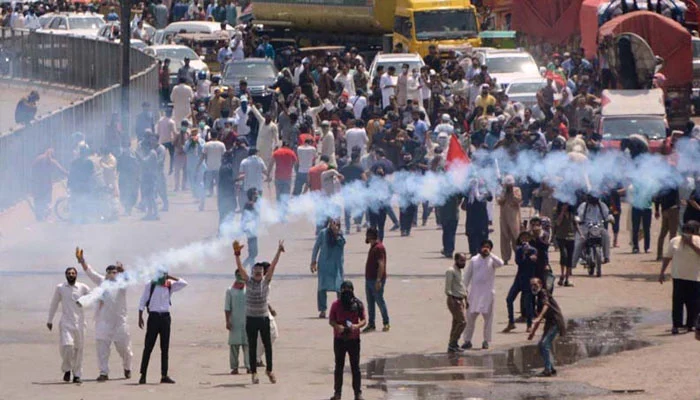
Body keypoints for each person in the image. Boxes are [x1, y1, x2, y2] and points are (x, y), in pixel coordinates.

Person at [232, 239, 285, 384]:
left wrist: (278, 251)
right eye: (255, 272)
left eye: (260, 273)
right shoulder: (248, 282)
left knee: (268, 345)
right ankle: (254, 373)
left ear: (263, 274)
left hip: (263, 318)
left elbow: (273, 266)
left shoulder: (265, 282)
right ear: (252, 273)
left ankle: (269, 370)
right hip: (251, 318)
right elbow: (240, 268)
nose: (257, 275)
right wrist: (237, 254)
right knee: (252, 346)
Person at [75, 249, 133, 381]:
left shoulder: (122, 284)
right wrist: (82, 260)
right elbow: (90, 272)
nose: (112, 274)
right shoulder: (102, 282)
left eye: (114, 272)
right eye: (109, 272)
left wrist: (123, 271)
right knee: (102, 349)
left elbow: (128, 279)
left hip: (120, 323)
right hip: (103, 322)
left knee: (125, 350)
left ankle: (127, 367)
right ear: (106, 274)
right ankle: (103, 372)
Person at [137, 271, 188, 384]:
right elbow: (142, 300)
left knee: (165, 348)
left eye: (165, 274)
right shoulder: (151, 284)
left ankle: (164, 375)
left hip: (165, 317)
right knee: (148, 347)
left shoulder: (169, 284)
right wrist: (140, 316)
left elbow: (184, 283)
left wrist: (170, 277)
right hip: (153, 317)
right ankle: (143, 375)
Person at [47, 266, 90, 383]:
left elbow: (93, 297)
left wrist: (85, 301)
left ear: (76, 275)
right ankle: (67, 369)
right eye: (69, 273)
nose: (71, 275)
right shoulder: (60, 288)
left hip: (80, 324)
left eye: (73, 273)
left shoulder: (83, 287)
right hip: (66, 323)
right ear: (66, 275)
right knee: (68, 346)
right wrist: (50, 320)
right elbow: (54, 303)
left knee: (79, 349)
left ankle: (77, 375)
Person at [461, 240, 504, 350]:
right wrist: (463, 291)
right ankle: (467, 340)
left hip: (488, 295)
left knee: (488, 320)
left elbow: (501, 263)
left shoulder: (493, 260)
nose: (485, 249)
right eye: (484, 247)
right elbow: (467, 277)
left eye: (488, 247)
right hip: (474, 295)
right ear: (480, 248)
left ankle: (486, 341)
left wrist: (490, 254)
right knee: (470, 319)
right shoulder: (474, 260)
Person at [659, 221, 700, 334]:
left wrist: (691, 244)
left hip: (695, 277)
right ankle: (676, 325)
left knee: (693, 303)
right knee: (678, 302)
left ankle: (691, 324)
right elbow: (667, 257)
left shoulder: (698, 241)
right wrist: (662, 272)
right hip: (678, 276)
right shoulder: (675, 241)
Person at [328, 280, 367, 400]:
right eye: (344, 291)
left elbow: (364, 320)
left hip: (353, 339)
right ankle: (337, 393)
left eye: (348, 291)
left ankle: (357, 393)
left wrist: (356, 326)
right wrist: (337, 327)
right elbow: (331, 320)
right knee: (339, 367)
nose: (346, 293)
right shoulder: (335, 305)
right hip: (339, 339)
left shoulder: (358, 304)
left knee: (355, 367)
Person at [528, 277, 567, 377]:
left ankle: (548, 370)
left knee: (544, 344)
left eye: (535, 285)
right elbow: (539, 318)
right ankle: (550, 367)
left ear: (540, 285)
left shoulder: (543, 293)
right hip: (549, 323)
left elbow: (546, 305)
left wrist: (539, 317)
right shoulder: (537, 299)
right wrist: (533, 332)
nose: (533, 287)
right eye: (531, 285)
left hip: (555, 321)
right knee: (542, 345)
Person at [311, 219, 346, 318]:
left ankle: (340, 309)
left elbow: (342, 244)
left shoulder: (340, 234)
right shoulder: (323, 233)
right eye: (332, 223)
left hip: (336, 266)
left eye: (336, 224)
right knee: (322, 288)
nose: (334, 225)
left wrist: (336, 234)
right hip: (324, 266)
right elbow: (316, 247)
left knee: (339, 288)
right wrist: (313, 261)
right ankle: (323, 310)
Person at [503, 232, 536, 333]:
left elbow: (533, 263)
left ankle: (529, 325)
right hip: (519, 279)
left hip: (528, 280)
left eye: (527, 238)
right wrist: (525, 255)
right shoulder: (519, 250)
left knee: (528, 303)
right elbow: (519, 262)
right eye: (523, 238)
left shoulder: (533, 250)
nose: (525, 240)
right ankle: (511, 322)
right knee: (509, 299)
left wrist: (528, 256)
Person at [363, 227, 390, 333]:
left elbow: (381, 264)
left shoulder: (379, 248)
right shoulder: (373, 247)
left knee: (379, 301)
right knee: (370, 303)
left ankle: (386, 322)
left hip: (375, 280)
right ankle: (371, 324)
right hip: (369, 279)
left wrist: (378, 280)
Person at [572, 194, 612, 265]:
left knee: (606, 236)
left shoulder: (602, 205)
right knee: (579, 241)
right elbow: (579, 215)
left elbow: (607, 215)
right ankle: (573, 262)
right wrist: (577, 219)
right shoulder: (583, 205)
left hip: (599, 227)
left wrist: (610, 218)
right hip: (585, 227)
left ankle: (606, 256)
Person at [225, 270, 250, 374]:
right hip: (234, 322)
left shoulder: (249, 290)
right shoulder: (230, 291)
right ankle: (234, 367)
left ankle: (249, 367)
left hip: (247, 321)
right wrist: (227, 321)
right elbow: (227, 308)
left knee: (248, 345)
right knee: (234, 346)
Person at [31, 148, 67, 221]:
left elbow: (32, 169)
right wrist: (69, 174)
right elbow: (61, 170)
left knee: (38, 199)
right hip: (46, 183)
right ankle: (44, 214)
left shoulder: (39, 159)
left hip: (37, 183)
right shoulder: (52, 161)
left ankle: (39, 216)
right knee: (47, 199)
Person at [445, 253, 468, 353]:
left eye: (464, 261)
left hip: (461, 299)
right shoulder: (451, 271)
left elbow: (462, 286)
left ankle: (453, 344)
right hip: (454, 300)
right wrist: (451, 300)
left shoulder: (461, 271)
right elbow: (448, 287)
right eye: (461, 261)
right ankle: (452, 343)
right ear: (456, 260)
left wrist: (466, 299)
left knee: (456, 323)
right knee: (462, 322)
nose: (464, 263)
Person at [498, 176, 522, 264]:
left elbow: (518, 200)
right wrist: (505, 193)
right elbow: (499, 201)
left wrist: (512, 193)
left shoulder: (517, 190)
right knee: (504, 238)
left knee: (516, 237)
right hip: (504, 218)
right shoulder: (502, 191)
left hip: (514, 218)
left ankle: (519, 256)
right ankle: (505, 258)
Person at [553, 202, 577, 287]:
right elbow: (558, 223)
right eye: (563, 205)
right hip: (561, 237)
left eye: (566, 205)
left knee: (570, 258)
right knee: (564, 256)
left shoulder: (571, 214)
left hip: (571, 237)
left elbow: (575, 224)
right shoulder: (556, 213)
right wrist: (562, 213)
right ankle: (562, 275)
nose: (565, 206)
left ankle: (567, 278)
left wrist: (581, 234)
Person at [655, 187, 680, 261]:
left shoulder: (661, 186)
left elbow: (657, 199)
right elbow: (677, 197)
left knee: (662, 234)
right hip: (673, 210)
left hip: (664, 210)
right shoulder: (674, 184)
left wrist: (657, 210)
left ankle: (659, 255)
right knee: (673, 234)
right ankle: (671, 255)